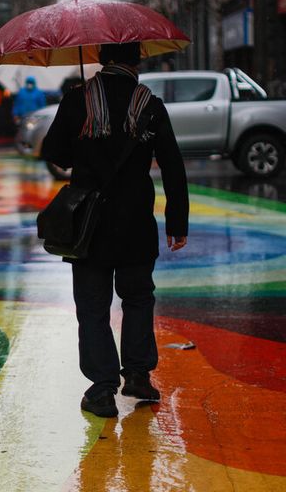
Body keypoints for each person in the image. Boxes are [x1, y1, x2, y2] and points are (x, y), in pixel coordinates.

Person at [40, 42, 189, 418]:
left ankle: (102, 389)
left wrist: (82, 145)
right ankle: (137, 375)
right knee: (138, 297)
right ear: (137, 60)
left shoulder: (78, 100)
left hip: (89, 224)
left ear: (101, 58)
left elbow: (55, 153)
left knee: (93, 305)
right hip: (136, 220)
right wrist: (177, 222)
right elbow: (172, 165)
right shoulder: (149, 104)